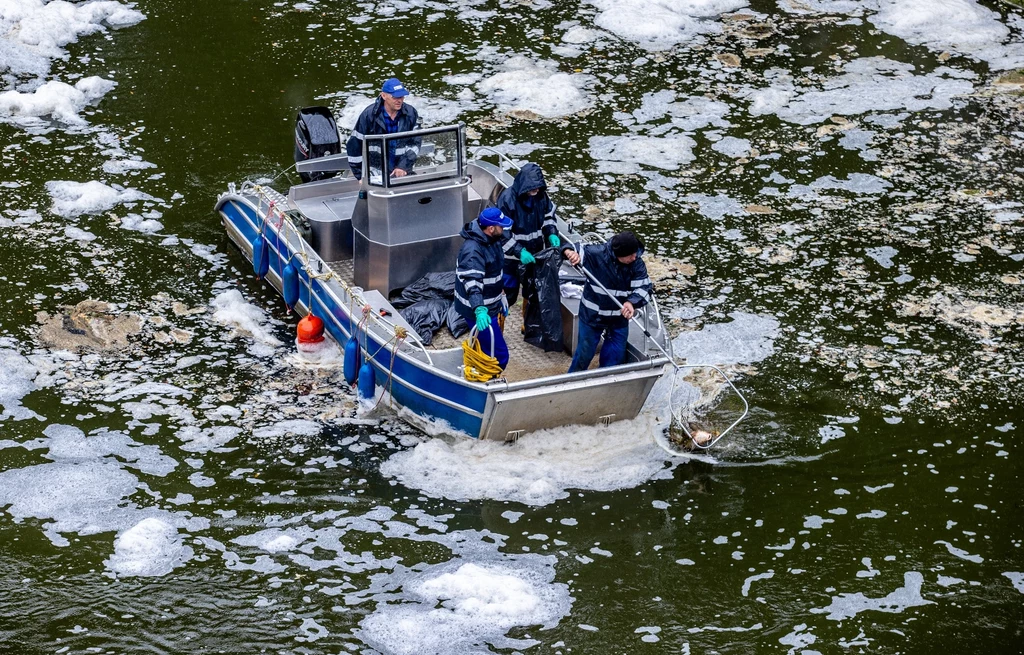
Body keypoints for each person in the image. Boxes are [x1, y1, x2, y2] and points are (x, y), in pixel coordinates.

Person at [561, 231, 652, 373]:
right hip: (592, 316)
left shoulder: (637, 264)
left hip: (618, 319)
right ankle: (572, 381)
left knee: (614, 357)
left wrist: (632, 303)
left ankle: (606, 381)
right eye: (630, 255)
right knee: (584, 354)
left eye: (635, 254)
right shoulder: (595, 254)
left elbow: (644, 288)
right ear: (619, 254)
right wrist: (569, 252)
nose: (634, 257)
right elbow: (569, 246)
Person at [454, 207, 512, 371]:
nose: (504, 229)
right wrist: (479, 309)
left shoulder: (491, 238)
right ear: (491, 228)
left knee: (486, 347)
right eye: (501, 226)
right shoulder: (472, 251)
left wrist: (500, 294)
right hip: (478, 309)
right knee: (500, 355)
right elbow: (473, 284)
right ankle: (487, 383)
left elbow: (492, 272)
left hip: (491, 303)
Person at [496, 163, 560, 305]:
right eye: (533, 187)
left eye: (538, 186)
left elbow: (548, 217)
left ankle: (527, 326)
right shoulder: (507, 199)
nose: (536, 190)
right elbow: (501, 233)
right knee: (507, 295)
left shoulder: (541, 196)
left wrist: (552, 233)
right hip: (510, 259)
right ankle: (500, 325)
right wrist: (519, 251)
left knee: (531, 292)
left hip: (534, 255)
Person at [346, 77, 420, 180]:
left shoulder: (411, 113)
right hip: (375, 174)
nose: (399, 100)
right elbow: (354, 146)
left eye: (402, 97)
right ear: (383, 96)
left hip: (402, 172)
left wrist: (403, 166)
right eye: (395, 97)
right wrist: (361, 177)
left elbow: (415, 143)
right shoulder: (368, 116)